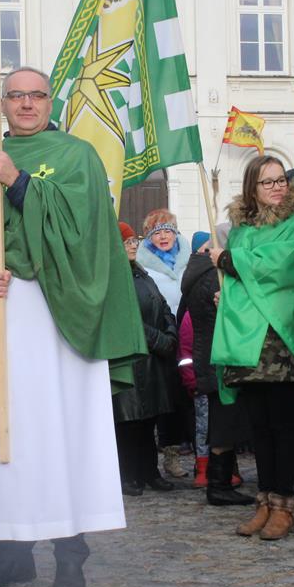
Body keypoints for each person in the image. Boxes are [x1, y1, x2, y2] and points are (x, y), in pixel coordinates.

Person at [0, 66, 145, 587]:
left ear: (49, 102)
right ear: (2, 105)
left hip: (59, 318)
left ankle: (70, 553)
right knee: (3, 432)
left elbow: (84, 234)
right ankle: (12, 554)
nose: (25, 104)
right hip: (4, 316)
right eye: (15, 96)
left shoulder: (76, 157)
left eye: (36, 95)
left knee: (59, 430)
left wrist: (19, 182)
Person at [209, 155, 294, 540]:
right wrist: (228, 295)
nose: (277, 187)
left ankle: (284, 504)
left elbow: (278, 267)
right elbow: (243, 277)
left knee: (283, 423)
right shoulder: (241, 229)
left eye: (281, 180)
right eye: (267, 182)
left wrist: (228, 259)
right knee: (259, 427)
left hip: (279, 335)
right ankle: (264, 501)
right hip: (246, 337)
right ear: (253, 187)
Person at [113, 223, 177, 496]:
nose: (133, 246)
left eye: (134, 241)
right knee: (129, 421)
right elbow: (125, 317)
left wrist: (170, 331)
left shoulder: (141, 273)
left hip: (153, 359)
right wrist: (161, 340)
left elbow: (162, 306)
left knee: (148, 418)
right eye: (127, 242)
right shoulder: (113, 276)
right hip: (131, 358)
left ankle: (149, 471)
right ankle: (128, 474)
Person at [134, 209, 193, 480]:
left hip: (188, 334)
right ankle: (160, 456)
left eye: (168, 230)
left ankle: (176, 452)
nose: (164, 236)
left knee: (183, 398)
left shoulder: (187, 259)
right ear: (149, 237)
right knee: (164, 397)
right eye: (157, 233)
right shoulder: (142, 264)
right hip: (160, 337)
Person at [179, 231, 221, 490]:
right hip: (204, 368)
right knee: (206, 422)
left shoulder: (198, 279)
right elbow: (187, 345)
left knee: (214, 421)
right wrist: (191, 377)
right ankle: (205, 468)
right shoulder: (206, 282)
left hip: (208, 365)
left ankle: (219, 468)